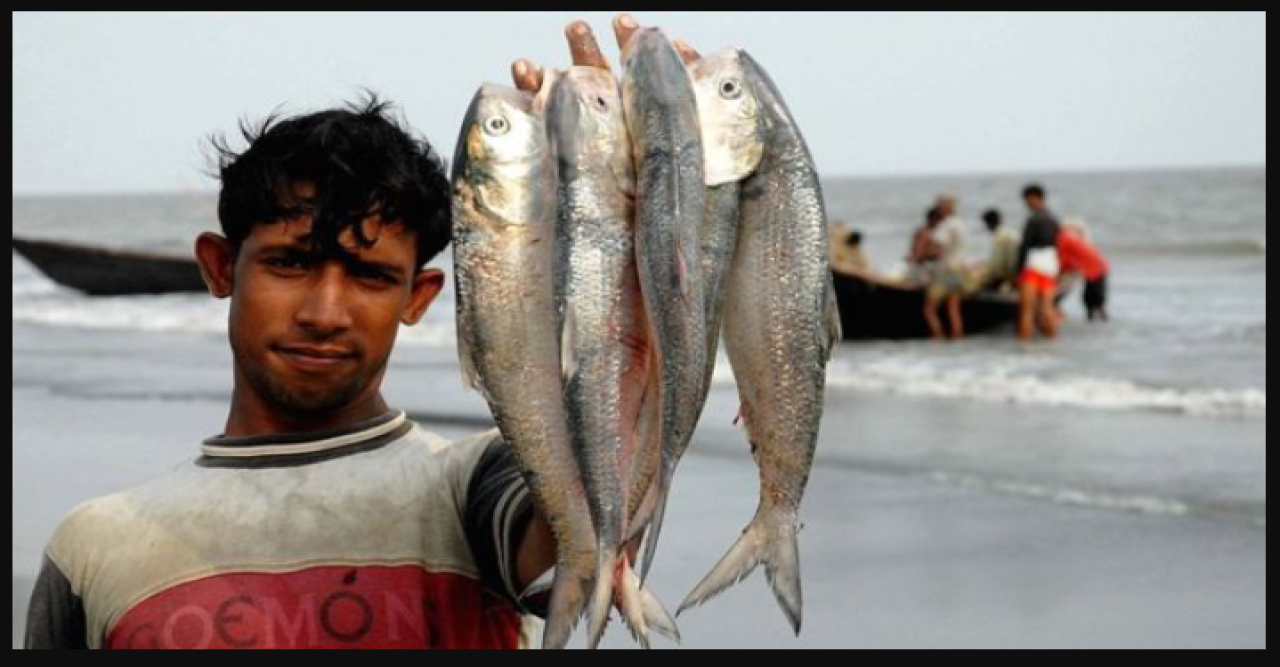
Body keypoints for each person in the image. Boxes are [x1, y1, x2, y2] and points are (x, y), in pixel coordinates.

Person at [24, 16, 652, 650]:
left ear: (419, 297)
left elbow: (577, 538)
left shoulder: (474, 486)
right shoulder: (95, 546)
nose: (325, 313)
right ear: (219, 266)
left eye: (370, 275)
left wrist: (631, 226)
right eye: (290, 263)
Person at [1016, 183, 1062, 341]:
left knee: (1027, 309)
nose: (1026, 203)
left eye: (1027, 200)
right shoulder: (1053, 217)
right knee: (1047, 308)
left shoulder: (1034, 219)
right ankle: (1052, 342)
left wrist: (1018, 270)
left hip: (1034, 263)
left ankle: (1024, 346)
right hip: (1051, 263)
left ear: (1034, 197)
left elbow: (1024, 246)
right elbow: (1059, 242)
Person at [924, 194, 968, 340]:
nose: (938, 209)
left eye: (939, 206)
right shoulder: (961, 224)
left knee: (929, 310)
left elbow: (938, 250)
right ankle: (957, 339)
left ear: (945, 207)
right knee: (953, 310)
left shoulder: (946, 225)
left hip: (946, 270)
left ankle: (938, 338)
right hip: (959, 269)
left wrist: (924, 254)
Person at [1058, 219, 1111, 322]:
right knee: (1093, 298)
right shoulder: (1071, 238)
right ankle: (1096, 317)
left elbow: (1063, 260)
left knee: (1094, 298)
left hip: (1096, 269)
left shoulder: (1063, 238)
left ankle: (1097, 318)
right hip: (1097, 267)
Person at [979, 208, 1020, 291]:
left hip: (1009, 278)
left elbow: (998, 266)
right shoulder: (1011, 233)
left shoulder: (999, 237)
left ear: (988, 224)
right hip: (1019, 273)